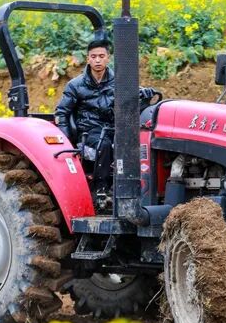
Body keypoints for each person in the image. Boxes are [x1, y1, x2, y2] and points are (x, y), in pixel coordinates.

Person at [54, 38, 156, 208]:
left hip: (114, 127)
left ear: (108, 58)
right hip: (90, 131)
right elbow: (62, 112)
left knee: (134, 141)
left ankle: (137, 188)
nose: (97, 60)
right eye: (93, 56)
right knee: (105, 144)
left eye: (101, 56)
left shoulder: (120, 81)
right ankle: (100, 189)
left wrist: (144, 94)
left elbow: (133, 95)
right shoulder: (75, 85)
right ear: (88, 59)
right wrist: (65, 139)